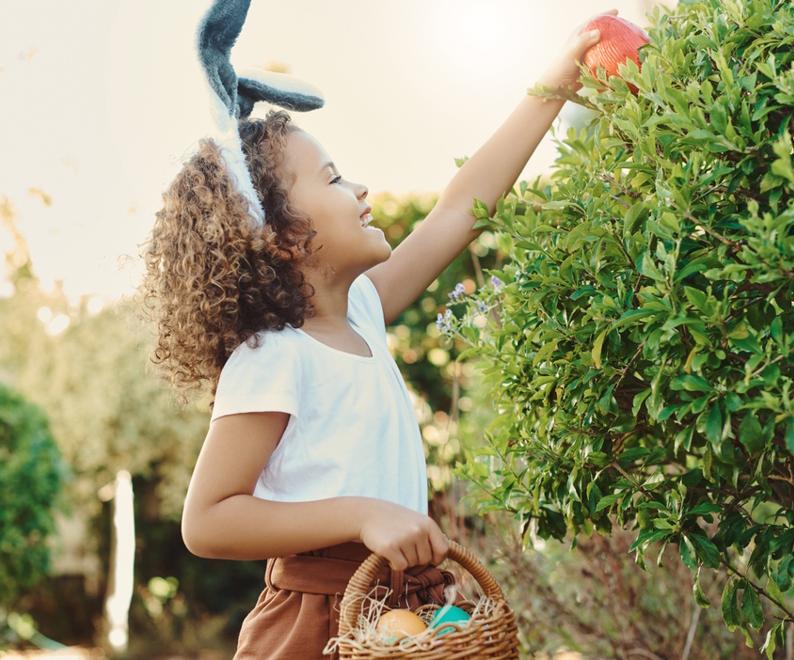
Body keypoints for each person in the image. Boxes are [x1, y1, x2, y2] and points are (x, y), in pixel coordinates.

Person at [139, 1, 614, 656]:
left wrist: (554, 87)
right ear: (281, 235)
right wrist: (364, 515)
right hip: (314, 621)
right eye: (333, 178)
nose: (360, 188)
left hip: (397, 611)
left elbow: (458, 211)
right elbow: (209, 520)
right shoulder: (275, 355)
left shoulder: (360, 310)